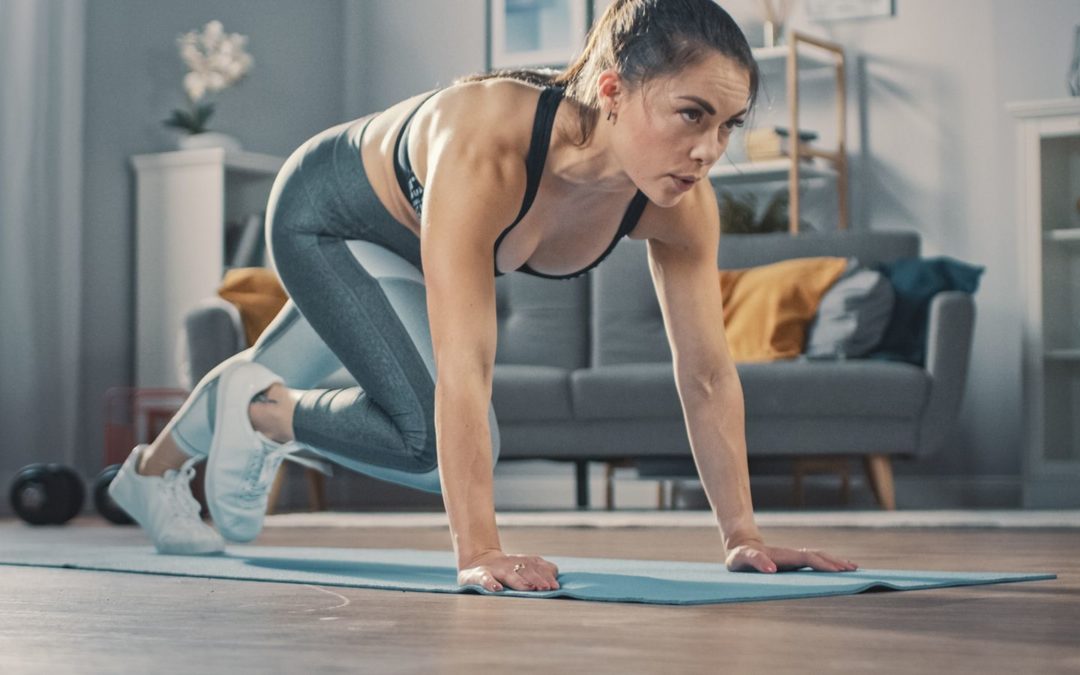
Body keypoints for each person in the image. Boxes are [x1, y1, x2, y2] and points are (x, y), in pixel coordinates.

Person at [108, 0, 858, 593]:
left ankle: (144, 476)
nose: (709, 150)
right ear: (612, 91)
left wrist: (742, 536)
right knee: (439, 440)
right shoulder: (490, 146)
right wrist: (480, 551)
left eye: (727, 126)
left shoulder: (680, 203)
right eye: (692, 114)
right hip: (327, 219)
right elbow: (463, 364)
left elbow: (704, 372)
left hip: (398, 249)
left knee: (273, 365)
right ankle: (266, 415)